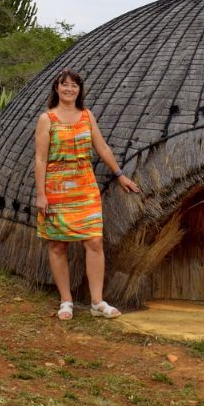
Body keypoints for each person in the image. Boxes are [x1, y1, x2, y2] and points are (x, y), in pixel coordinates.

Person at [34, 69, 142, 320]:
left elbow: (101, 147)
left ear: (80, 90)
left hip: (85, 186)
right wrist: (41, 194)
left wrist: (120, 175)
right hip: (56, 188)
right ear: (56, 89)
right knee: (58, 245)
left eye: (74, 85)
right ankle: (66, 301)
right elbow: (40, 158)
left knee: (93, 241)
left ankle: (97, 301)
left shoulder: (87, 116)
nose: (69, 89)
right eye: (64, 85)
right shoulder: (47, 119)